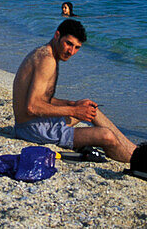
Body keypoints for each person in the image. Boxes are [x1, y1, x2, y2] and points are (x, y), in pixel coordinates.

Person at [12, 19, 137, 162]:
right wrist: (74, 111)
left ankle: (134, 151)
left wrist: (73, 104)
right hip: (32, 130)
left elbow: (42, 99)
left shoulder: (45, 53)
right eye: (69, 44)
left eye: (77, 47)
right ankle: (134, 161)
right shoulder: (47, 61)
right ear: (57, 35)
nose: (71, 51)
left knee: (90, 109)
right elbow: (32, 107)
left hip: (36, 124)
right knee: (106, 136)